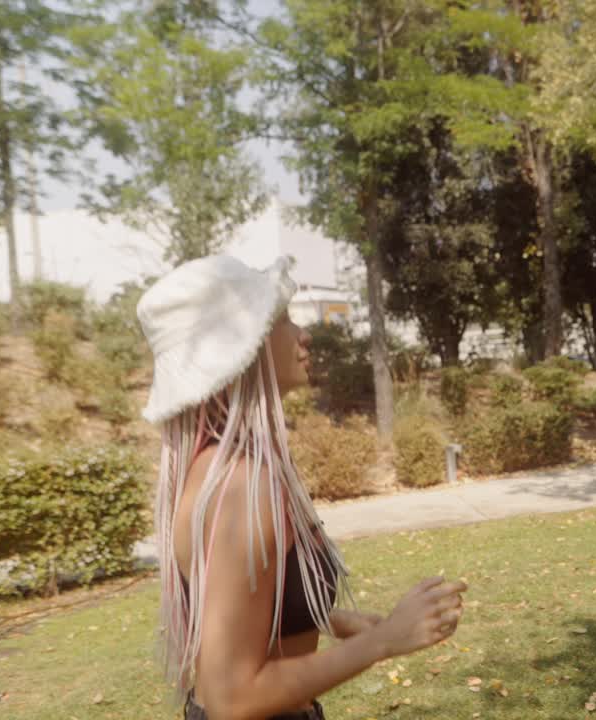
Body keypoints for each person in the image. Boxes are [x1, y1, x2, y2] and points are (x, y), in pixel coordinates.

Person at [138, 255, 467, 719]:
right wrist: (383, 640)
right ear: (238, 351)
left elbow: (246, 607)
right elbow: (232, 697)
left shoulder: (222, 468)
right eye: (282, 320)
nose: (303, 334)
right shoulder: (239, 485)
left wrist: (326, 617)